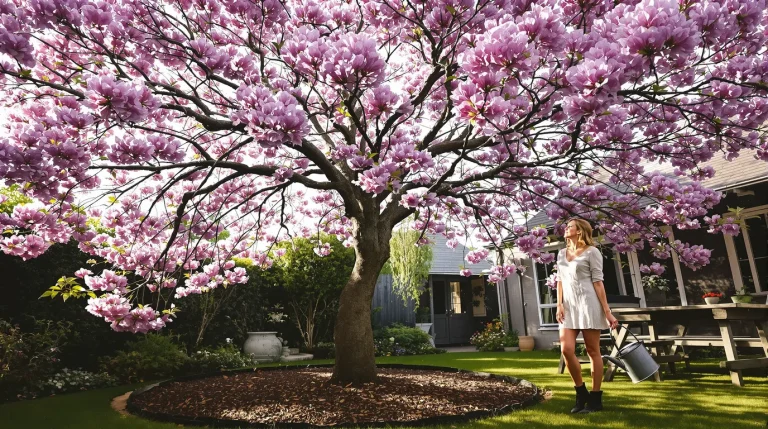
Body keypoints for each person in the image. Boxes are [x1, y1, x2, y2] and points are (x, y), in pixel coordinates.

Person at [556, 218, 619, 414]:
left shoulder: (593, 252)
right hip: (568, 307)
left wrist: (607, 311)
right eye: (566, 226)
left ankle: (596, 397)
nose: (566, 229)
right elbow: (560, 281)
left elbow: (598, 282)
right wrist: (559, 304)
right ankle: (580, 391)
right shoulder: (561, 253)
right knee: (567, 350)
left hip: (588, 304)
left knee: (593, 351)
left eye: (570, 226)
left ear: (580, 230)